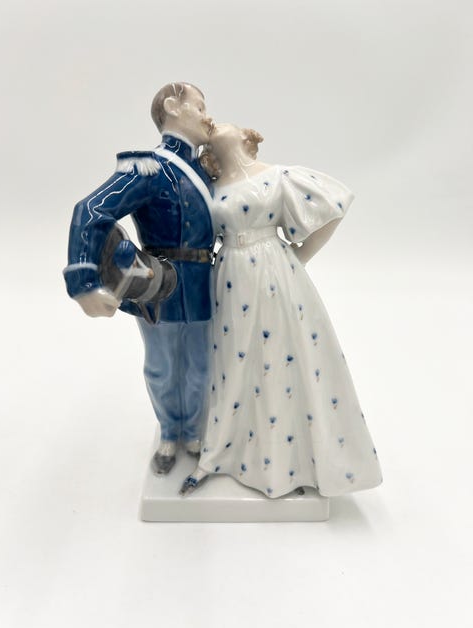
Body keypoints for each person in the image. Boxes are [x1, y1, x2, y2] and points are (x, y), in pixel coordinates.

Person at [180, 123, 382, 498]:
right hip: (228, 276)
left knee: (276, 357)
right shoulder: (211, 187)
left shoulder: (277, 176)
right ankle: (225, 448)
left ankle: (286, 460)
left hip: (270, 271)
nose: (215, 123)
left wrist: (298, 257)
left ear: (246, 137)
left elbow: (334, 204)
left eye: (225, 122)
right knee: (232, 362)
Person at [64, 82, 215, 475]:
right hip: (156, 283)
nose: (206, 115)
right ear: (173, 106)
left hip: (203, 283)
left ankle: (194, 432)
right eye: (199, 106)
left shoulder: (210, 170)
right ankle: (169, 432)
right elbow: (91, 211)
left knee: (201, 365)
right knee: (162, 367)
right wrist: (83, 282)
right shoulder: (147, 168)